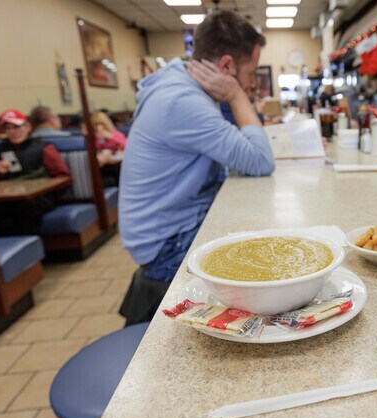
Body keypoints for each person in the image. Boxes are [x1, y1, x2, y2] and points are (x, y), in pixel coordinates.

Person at [118, 10, 275, 324]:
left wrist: (232, 93)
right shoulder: (181, 101)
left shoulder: (181, 81)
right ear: (227, 66)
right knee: (267, 272)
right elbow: (260, 161)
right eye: (250, 72)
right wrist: (234, 93)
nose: (251, 83)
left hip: (169, 225)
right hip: (167, 244)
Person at [0, 109, 70, 236]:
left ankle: (31, 250)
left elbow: (63, 177)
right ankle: (5, 252)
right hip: (9, 197)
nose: (13, 132)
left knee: (25, 207)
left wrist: (43, 188)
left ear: (28, 127)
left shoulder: (44, 147)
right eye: (8, 128)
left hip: (39, 197)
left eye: (17, 127)